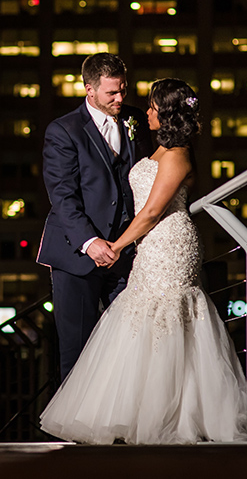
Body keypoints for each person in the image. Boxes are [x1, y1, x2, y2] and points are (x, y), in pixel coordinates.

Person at [40, 78, 247, 444]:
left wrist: (118, 245)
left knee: (167, 320)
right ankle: (131, 415)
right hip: (147, 246)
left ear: (167, 115)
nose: (144, 111)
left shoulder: (179, 153)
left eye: (153, 107)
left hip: (168, 243)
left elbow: (153, 211)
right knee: (140, 324)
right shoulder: (156, 147)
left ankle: (170, 416)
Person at [37, 53, 155, 381]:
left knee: (133, 341)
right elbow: (62, 194)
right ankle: (73, 431)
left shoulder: (137, 119)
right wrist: (90, 242)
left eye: (123, 90)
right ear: (89, 89)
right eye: (111, 93)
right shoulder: (63, 130)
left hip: (127, 252)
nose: (121, 98)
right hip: (77, 255)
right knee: (76, 350)